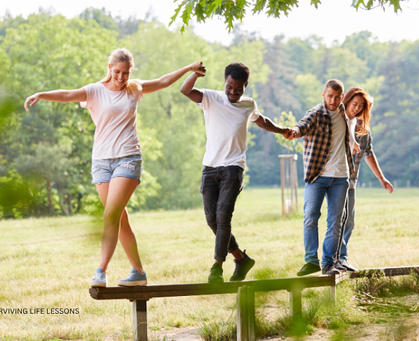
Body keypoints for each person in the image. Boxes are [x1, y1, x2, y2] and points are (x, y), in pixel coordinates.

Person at [24, 48, 205, 287]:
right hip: (101, 162)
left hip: (128, 158)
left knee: (110, 215)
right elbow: (67, 94)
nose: (121, 77)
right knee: (120, 219)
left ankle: (100, 270)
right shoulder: (94, 91)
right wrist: (41, 94)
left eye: (126, 72)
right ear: (109, 68)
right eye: (117, 72)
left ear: (131, 71)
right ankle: (138, 272)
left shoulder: (134, 89)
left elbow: (162, 81)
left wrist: (188, 69)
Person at [180, 62, 292, 283]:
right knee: (212, 219)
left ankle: (217, 267)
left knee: (223, 217)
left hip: (233, 167)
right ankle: (241, 258)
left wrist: (282, 131)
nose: (233, 92)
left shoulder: (248, 105)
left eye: (238, 89)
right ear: (225, 82)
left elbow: (262, 121)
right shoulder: (211, 98)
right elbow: (185, 91)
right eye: (229, 87)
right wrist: (194, 74)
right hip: (210, 167)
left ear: (245, 85)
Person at [289, 79, 355, 276]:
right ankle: (311, 260)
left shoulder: (345, 113)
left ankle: (328, 263)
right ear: (323, 95)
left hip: (341, 177)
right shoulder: (317, 113)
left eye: (336, 97)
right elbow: (303, 124)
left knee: (336, 221)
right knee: (310, 217)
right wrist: (295, 131)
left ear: (341, 97)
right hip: (317, 176)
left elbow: (359, 116)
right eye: (329, 96)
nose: (333, 101)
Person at [337, 87, 393, 273]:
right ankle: (332, 260)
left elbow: (368, 153)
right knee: (337, 221)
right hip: (335, 181)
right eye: (356, 105)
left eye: (363, 107)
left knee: (349, 221)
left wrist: (382, 178)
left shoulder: (364, 130)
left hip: (351, 182)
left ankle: (342, 258)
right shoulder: (340, 122)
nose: (359, 110)